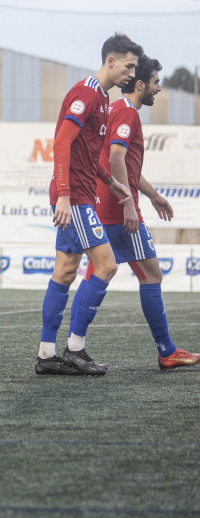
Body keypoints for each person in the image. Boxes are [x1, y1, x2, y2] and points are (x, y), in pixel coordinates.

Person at [35, 33, 141, 377]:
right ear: (111, 61)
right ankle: (75, 349)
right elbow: (62, 141)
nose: (131, 73)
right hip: (75, 196)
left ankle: (47, 355)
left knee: (65, 271)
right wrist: (65, 194)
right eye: (128, 66)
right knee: (106, 265)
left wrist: (112, 182)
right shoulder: (86, 92)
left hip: (80, 191)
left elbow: (87, 152)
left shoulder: (102, 98)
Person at [89, 54, 200, 370]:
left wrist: (153, 196)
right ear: (140, 85)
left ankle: (73, 346)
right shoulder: (128, 114)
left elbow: (127, 166)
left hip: (103, 207)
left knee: (93, 274)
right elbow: (115, 159)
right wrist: (129, 204)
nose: (159, 89)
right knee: (151, 274)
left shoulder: (114, 110)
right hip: (119, 211)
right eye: (155, 83)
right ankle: (167, 351)